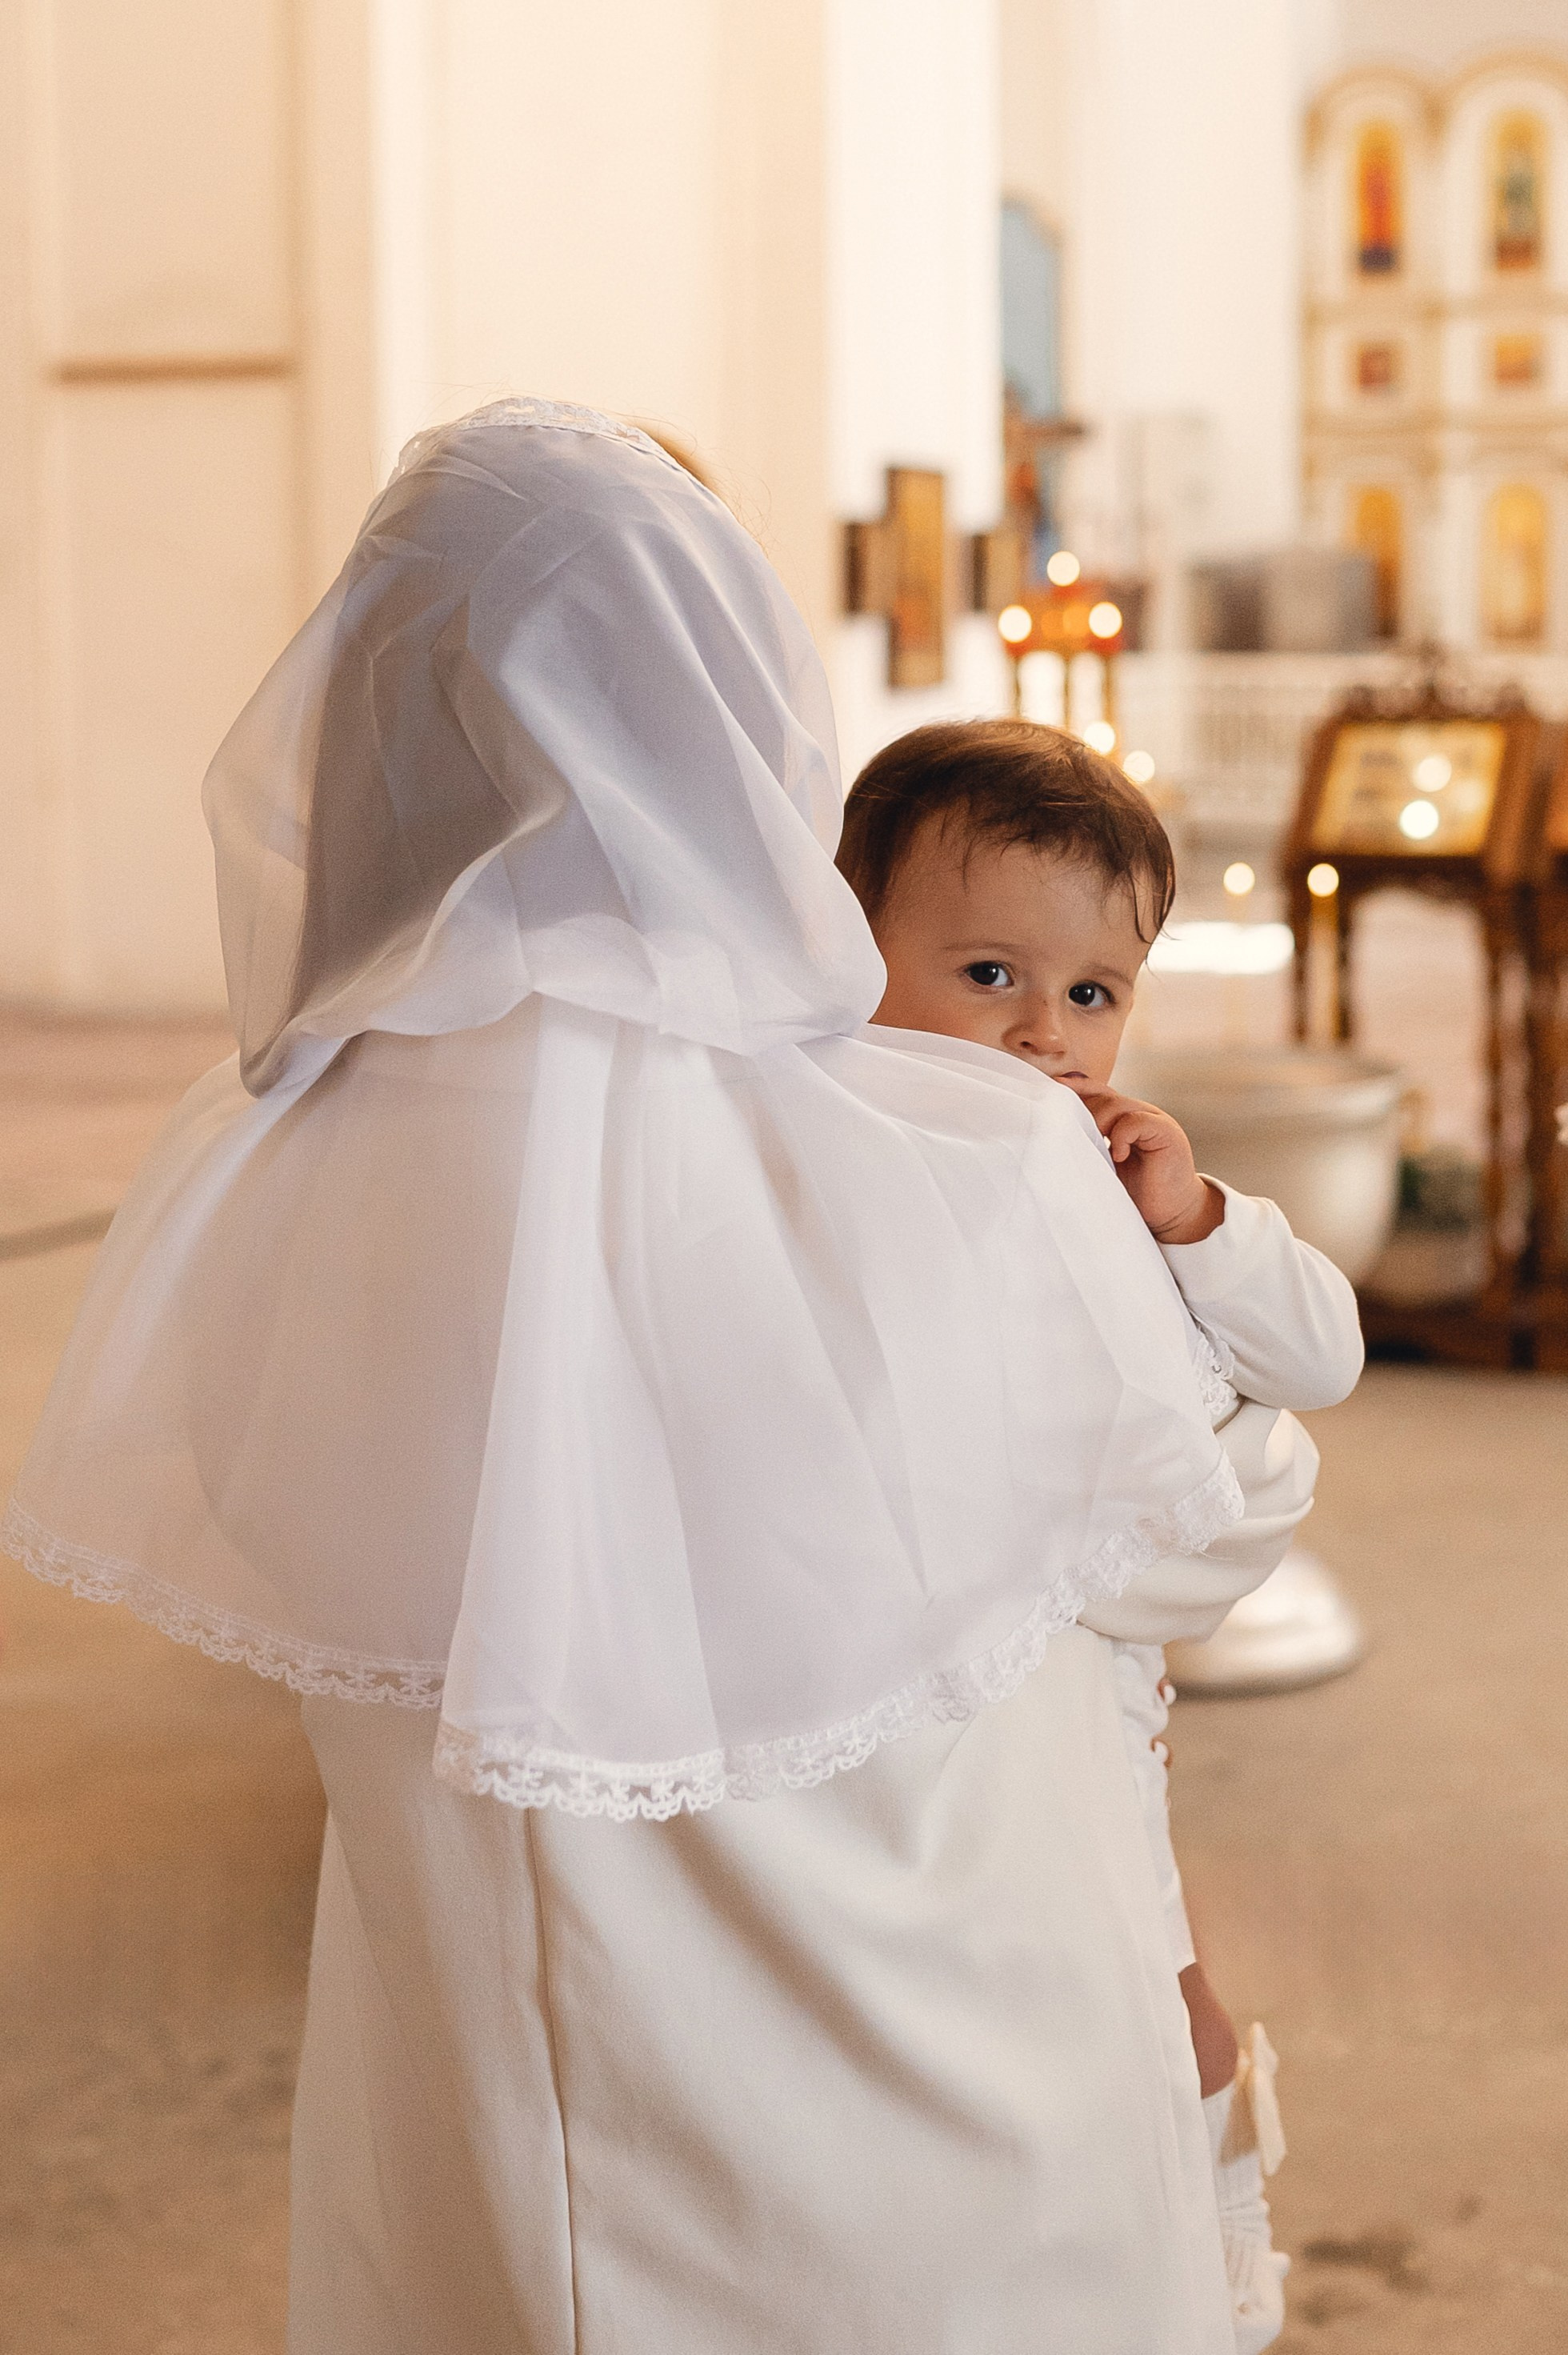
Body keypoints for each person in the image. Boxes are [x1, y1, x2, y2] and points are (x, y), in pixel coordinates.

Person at [7, 399, 1322, 2354]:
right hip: (908, 2111)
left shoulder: (265, 1156)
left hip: (493, 2109)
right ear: (732, 701)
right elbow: (1203, 1526)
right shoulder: (940, 1156)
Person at [837, 717, 1366, 2353]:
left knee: (1173, 2005)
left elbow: (1316, 1356)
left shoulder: (1119, 1171)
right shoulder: (847, 1162)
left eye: (1088, 991)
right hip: (977, 1699)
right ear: (842, 944)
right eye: (986, 970)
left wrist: (1198, 1221)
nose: (1040, 1034)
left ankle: (1202, 2279)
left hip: (1116, 1683)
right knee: (1106, 2022)